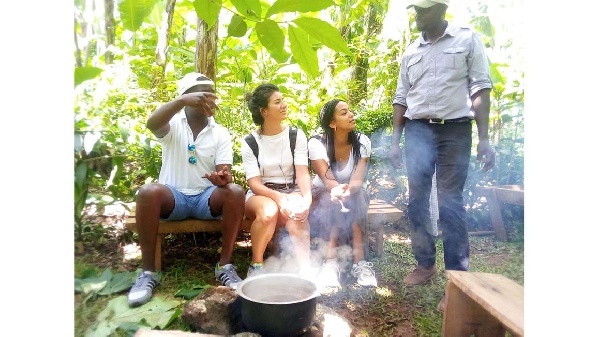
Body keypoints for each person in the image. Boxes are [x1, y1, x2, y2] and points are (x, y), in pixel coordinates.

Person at [388, 0, 495, 308]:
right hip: (418, 130)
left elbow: (480, 88)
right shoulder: (411, 51)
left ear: (441, 8)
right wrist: (395, 141)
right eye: (415, 10)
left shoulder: (467, 39)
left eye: (423, 9)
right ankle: (425, 264)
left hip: (455, 130)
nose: (418, 15)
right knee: (417, 200)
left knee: (450, 201)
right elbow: (401, 97)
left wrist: (484, 138)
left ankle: (458, 281)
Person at [127, 73, 246, 307]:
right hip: (175, 197)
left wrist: (220, 179)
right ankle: (148, 273)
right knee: (148, 192)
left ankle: (225, 266)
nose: (209, 101)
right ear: (187, 97)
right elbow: (152, 124)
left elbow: (225, 172)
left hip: (205, 198)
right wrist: (181, 102)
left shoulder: (219, 132)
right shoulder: (172, 125)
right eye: (202, 95)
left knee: (235, 191)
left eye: (211, 95)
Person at [241, 83, 313, 278]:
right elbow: (254, 183)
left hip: (291, 189)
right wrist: (278, 198)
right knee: (268, 212)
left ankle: (304, 270)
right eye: (277, 102)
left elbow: (302, 173)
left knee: (298, 213)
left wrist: (306, 199)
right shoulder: (250, 142)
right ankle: (256, 265)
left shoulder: (295, 135)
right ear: (264, 111)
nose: (284, 105)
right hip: (261, 193)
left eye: (283, 100)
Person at [308, 99, 377, 288]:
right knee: (330, 200)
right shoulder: (317, 143)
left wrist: (349, 189)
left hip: (352, 190)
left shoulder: (362, 141)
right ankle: (330, 263)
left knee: (358, 197)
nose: (351, 115)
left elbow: (357, 179)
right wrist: (337, 190)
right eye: (344, 113)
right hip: (323, 190)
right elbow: (327, 178)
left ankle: (360, 263)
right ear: (332, 123)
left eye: (350, 111)